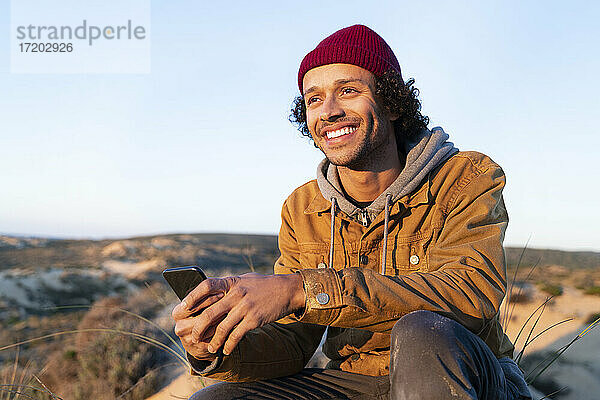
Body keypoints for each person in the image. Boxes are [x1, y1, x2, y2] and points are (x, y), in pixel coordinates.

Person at [172, 24, 532, 399]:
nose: (328, 111)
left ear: (392, 104)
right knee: (214, 398)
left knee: (422, 331)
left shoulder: (465, 176)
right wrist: (215, 346)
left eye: (347, 91)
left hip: (464, 374)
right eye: (313, 99)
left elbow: (470, 293)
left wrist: (301, 289)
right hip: (353, 382)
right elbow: (294, 344)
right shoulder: (303, 208)